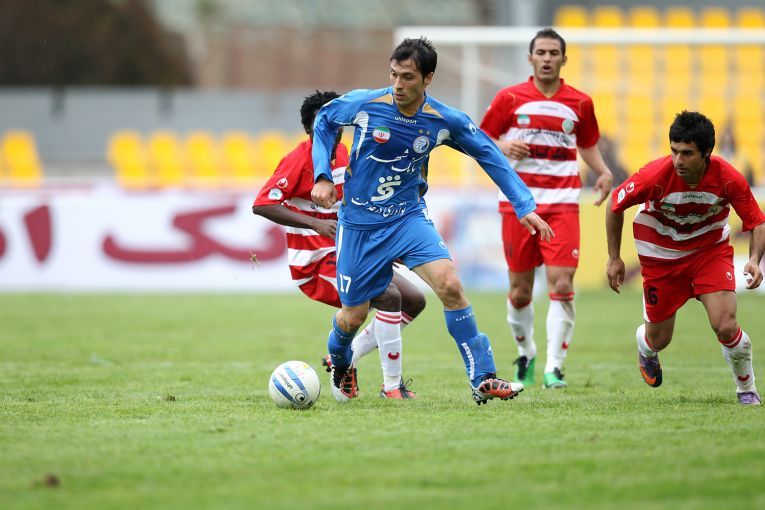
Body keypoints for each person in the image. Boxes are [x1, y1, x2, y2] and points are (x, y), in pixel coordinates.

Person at [311, 37, 553, 405]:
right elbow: (325, 119)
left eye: (407, 77)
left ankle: (483, 377)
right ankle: (340, 361)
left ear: (428, 79)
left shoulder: (444, 120)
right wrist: (322, 175)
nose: (398, 84)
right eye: (394, 74)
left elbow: (488, 153)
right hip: (359, 225)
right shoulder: (366, 104)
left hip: (407, 219)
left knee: (450, 285)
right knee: (352, 317)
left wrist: (523, 205)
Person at [253, 90, 426, 400]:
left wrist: (386, 245)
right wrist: (316, 224)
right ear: (309, 129)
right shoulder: (298, 160)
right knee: (389, 297)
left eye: (335, 126)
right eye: (322, 126)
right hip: (315, 263)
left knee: (414, 300)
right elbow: (263, 204)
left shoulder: (347, 154)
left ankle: (344, 358)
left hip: (354, 251)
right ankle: (391, 387)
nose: (331, 133)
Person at [479, 28, 614, 389]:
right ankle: (526, 353)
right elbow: (480, 138)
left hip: (562, 203)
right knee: (520, 292)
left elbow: (587, 144)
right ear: (530, 58)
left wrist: (603, 171)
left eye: (554, 53)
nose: (547, 58)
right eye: (541, 52)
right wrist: (503, 145)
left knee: (562, 283)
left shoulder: (580, 103)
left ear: (563, 59)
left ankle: (555, 367)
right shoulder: (509, 98)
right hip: (518, 204)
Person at [606, 110, 765, 406]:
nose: (678, 160)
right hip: (660, 258)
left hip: (709, 253)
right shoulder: (655, 174)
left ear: (707, 152)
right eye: (674, 151)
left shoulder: (728, 178)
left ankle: (747, 389)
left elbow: (757, 221)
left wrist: (755, 259)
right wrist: (614, 258)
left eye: (687, 153)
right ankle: (646, 347)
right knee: (659, 339)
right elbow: (615, 204)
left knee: (726, 324)